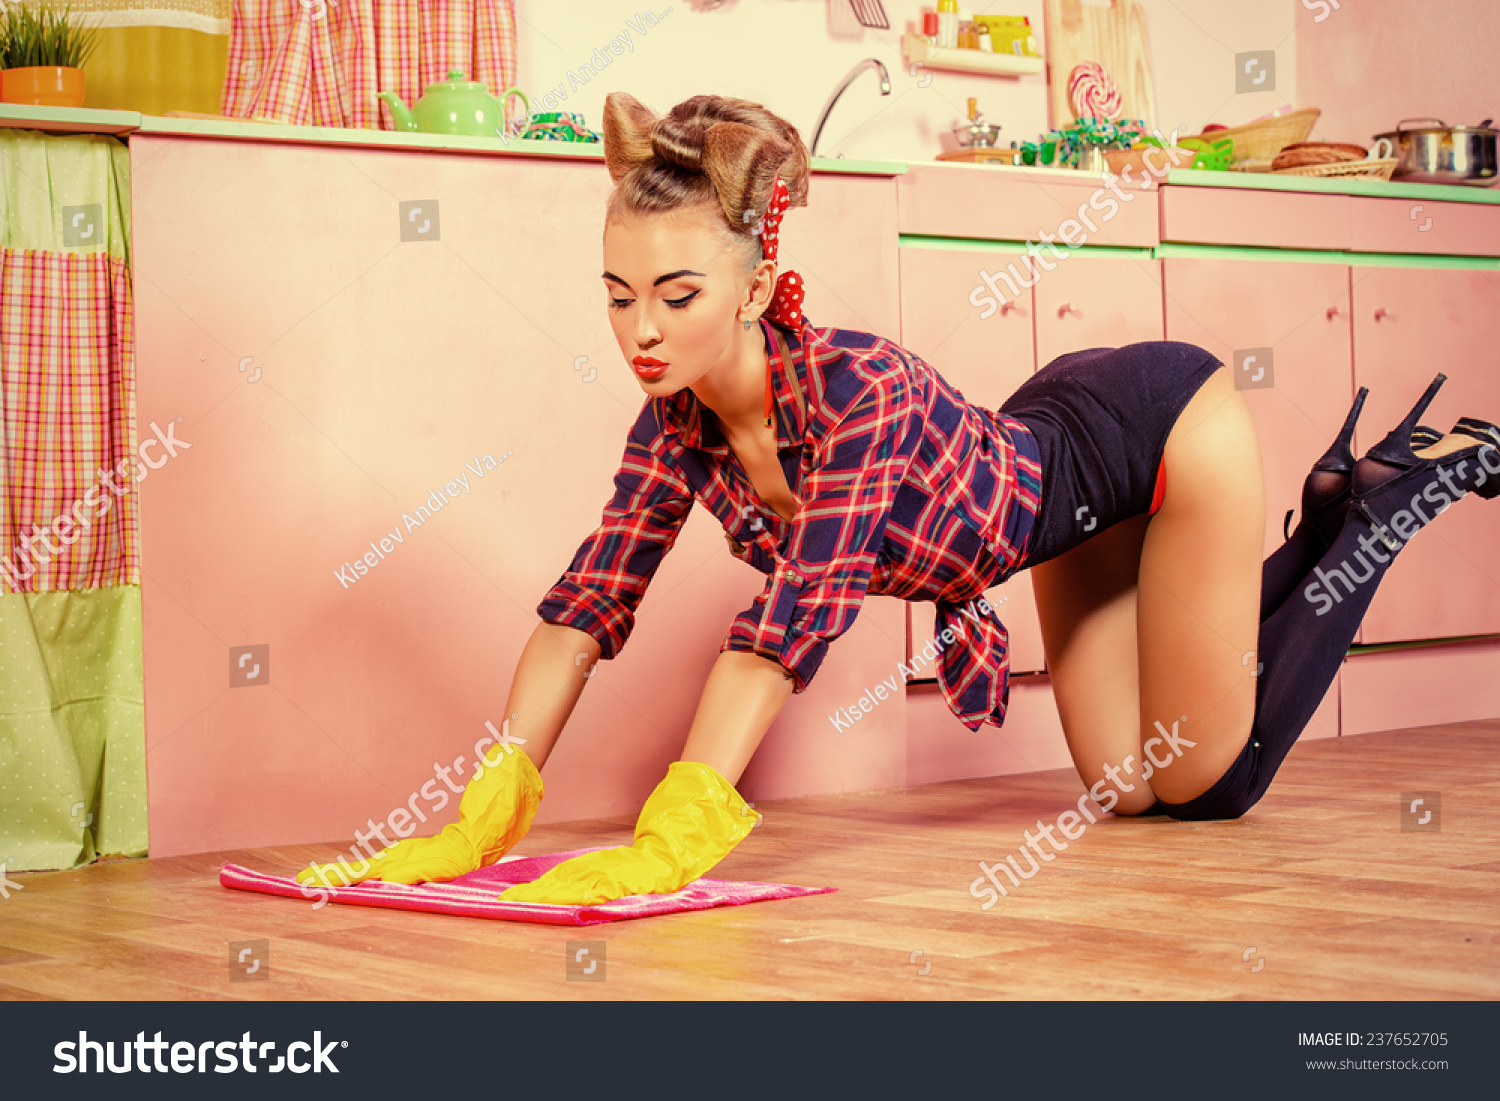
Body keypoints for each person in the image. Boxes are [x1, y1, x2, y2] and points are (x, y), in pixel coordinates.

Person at [300, 92, 1500, 906]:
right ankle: (1342, 513)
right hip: (1049, 481)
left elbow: (789, 624)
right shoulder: (675, 428)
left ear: (759, 279)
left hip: (1159, 425)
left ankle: (1384, 504)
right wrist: (493, 800)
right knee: (1126, 791)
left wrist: (676, 831)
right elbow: (589, 599)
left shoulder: (855, 390)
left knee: (1200, 780)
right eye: (617, 296)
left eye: (674, 293)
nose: (641, 331)